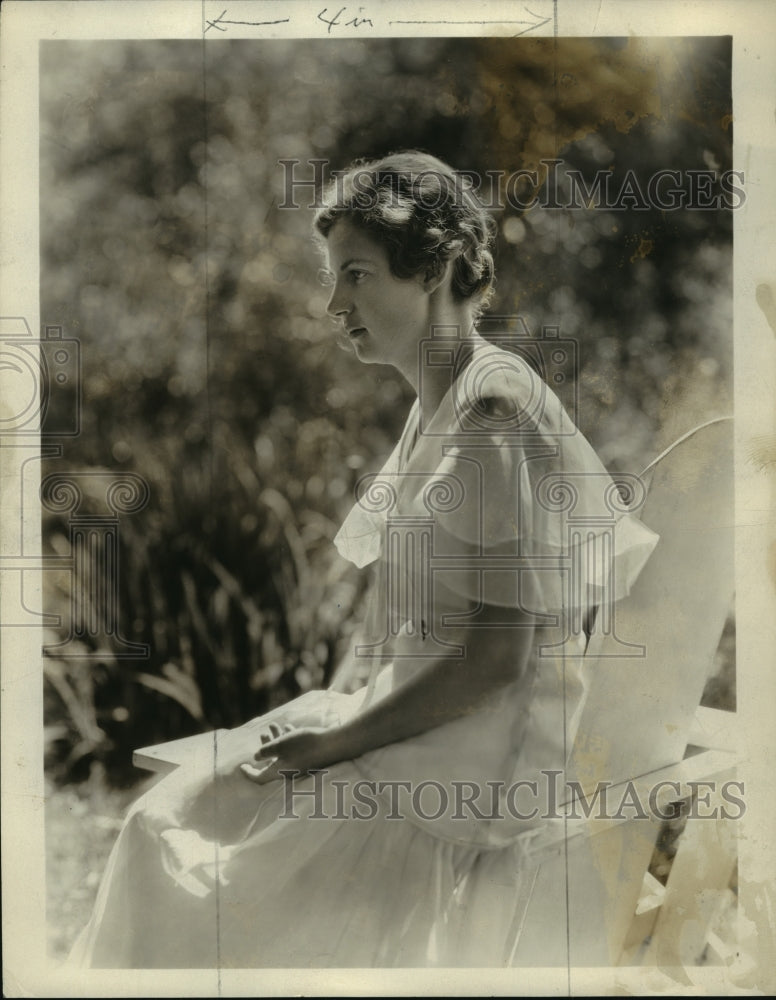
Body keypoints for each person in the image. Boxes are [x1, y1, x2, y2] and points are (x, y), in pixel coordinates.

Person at [68, 151, 659, 968]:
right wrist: (332, 718)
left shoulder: (491, 411)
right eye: (332, 277)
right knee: (159, 822)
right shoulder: (438, 403)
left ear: (436, 269)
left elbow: (499, 658)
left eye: (356, 275)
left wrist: (333, 743)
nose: (332, 304)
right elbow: (407, 625)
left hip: (475, 763)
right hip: (415, 720)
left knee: (207, 898)